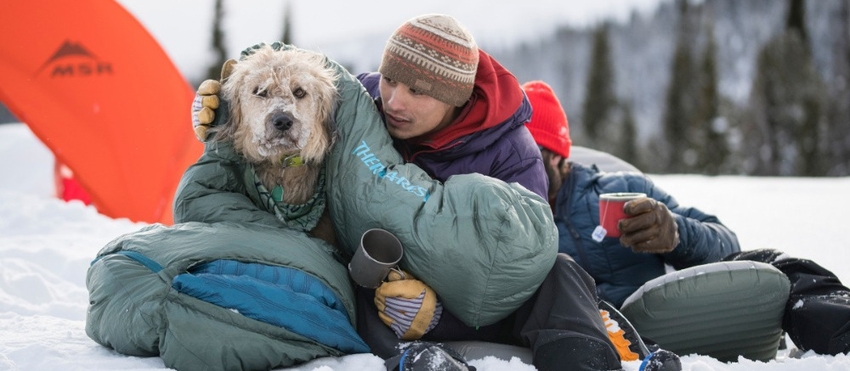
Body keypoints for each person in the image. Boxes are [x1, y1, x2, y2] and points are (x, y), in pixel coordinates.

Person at [191, 14, 682, 371]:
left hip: (484, 300)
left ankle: (589, 358)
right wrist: (224, 113)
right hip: (387, 293)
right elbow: (285, 105)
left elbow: (519, 254)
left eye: (418, 91)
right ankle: (417, 362)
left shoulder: (512, 152)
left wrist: (440, 307)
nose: (395, 101)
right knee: (343, 278)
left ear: (457, 98)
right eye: (389, 80)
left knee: (559, 271)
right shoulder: (361, 109)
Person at [522, 79, 850, 357]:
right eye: (516, 155)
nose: (522, 166)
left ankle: (841, 332)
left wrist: (675, 234)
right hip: (587, 331)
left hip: (658, 314)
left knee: (773, 263)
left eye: (533, 155)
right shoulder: (510, 209)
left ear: (559, 155)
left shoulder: (624, 187)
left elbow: (724, 242)